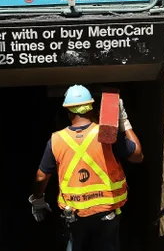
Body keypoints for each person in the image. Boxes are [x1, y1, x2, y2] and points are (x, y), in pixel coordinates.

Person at [28, 85, 144, 251]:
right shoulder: (107, 134)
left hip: (74, 214)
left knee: (74, 244)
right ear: (92, 109)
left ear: (68, 113)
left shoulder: (56, 140)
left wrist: (38, 200)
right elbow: (137, 156)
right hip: (107, 211)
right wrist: (123, 121)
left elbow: (41, 176)